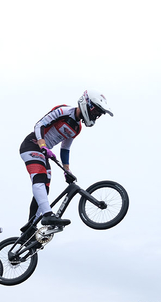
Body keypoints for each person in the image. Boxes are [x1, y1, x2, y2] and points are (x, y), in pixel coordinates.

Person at [19, 89, 113, 227]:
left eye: (98, 114)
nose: (95, 115)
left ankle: (30, 227)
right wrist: (43, 145)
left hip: (44, 152)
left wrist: (67, 171)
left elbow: (65, 149)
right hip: (32, 144)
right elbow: (39, 125)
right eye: (95, 111)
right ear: (86, 103)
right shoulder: (64, 111)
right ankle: (47, 215)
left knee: (45, 188)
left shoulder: (77, 128)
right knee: (39, 177)